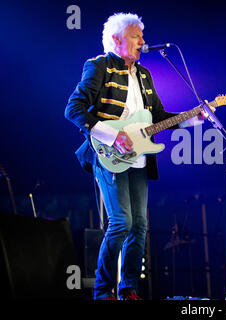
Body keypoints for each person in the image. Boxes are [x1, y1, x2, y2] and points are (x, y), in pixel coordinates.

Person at [65, 13, 210, 300]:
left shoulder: (144, 74)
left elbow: (158, 116)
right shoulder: (99, 66)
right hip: (109, 155)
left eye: (142, 36)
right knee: (121, 222)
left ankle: (128, 288)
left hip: (139, 158)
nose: (143, 41)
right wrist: (111, 135)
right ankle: (102, 290)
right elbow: (74, 109)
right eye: (136, 36)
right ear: (117, 40)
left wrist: (196, 117)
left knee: (140, 225)